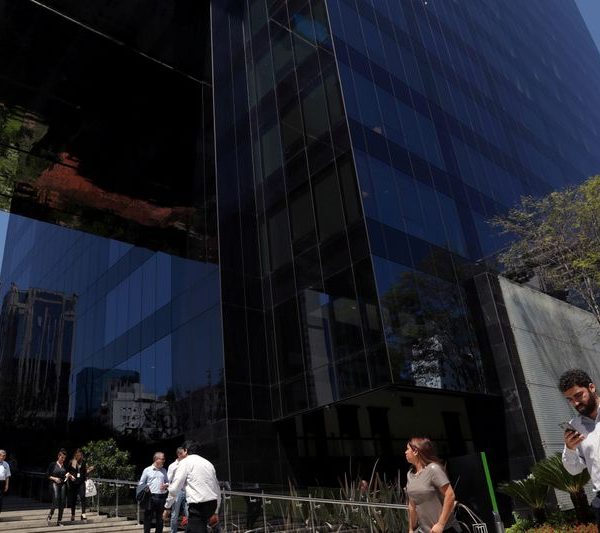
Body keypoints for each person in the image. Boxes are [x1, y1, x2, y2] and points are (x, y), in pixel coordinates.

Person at [559, 369, 600, 526]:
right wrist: (570, 448)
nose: (575, 403)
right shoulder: (575, 426)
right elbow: (573, 469)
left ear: (591, 387)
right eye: (570, 399)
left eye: (578, 395)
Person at [405, 437, 461, 533]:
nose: (405, 452)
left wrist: (440, 524)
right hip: (424, 530)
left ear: (415, 451)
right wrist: (411, 529)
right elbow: (412, 505)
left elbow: (450, 495)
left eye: (407, 449)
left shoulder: (433, 469)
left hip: (445, 529)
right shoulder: (410, 475)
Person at [163, 440, 220, 533]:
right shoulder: (208, 463)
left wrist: (167, 507)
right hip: (212, 503)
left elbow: (174, 488)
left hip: (198, 506)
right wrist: (216, 511)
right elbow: (216, 488)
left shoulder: (185, 462)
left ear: (185, 450)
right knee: (190, 529)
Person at [139, 452, 169, 533]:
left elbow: (168, 481)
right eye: (162, 459)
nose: (164, 460)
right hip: (150, 497)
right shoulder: (147, 470)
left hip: (162, 497)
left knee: (160, 519)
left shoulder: (164, 470)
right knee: (148, 518)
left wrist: (166, 485)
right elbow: (141, 483)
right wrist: (146, 488)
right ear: (156, 459)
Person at [67, 448, 95, 522]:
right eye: (77, 455)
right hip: (74, 483)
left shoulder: (83, 462)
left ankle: (83, 514)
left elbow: (84, 472)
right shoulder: (73, 462)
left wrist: (89, 470)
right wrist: (71, 476)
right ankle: (73, 514)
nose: (78, 456)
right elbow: (70, 472)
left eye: (80, 455)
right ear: (75, 455)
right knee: (73, 499)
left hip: (81, 483)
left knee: (83, 497)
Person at [47, 448, 72, 526]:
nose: (63, 459)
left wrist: (69, 475)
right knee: (56, 498)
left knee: (62, 502)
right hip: (55, 483)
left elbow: (66, 474)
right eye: (62, 457)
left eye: (64, 458)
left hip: (62, 484)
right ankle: (50, 514)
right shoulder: (53, 464)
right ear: (58, 456)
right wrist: (55, 478)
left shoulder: (65, 465)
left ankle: (59, 521)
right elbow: (47, 475)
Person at [166, 447, 188, 533]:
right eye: (182, 454)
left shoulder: (187, 464)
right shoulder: (173, 466)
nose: (185, 455)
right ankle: (173, 531)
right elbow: (168, 479)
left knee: (188, 514)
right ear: (178, 454)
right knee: (175, 514)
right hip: (177, 491)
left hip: (187, 490)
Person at [0, 449, 11, 516]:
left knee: (0, 499)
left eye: (5, 456)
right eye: (3, 455)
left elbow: (7, 476)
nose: (4, 457)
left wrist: (7, 485)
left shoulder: (6, 464)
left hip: (2, 483)